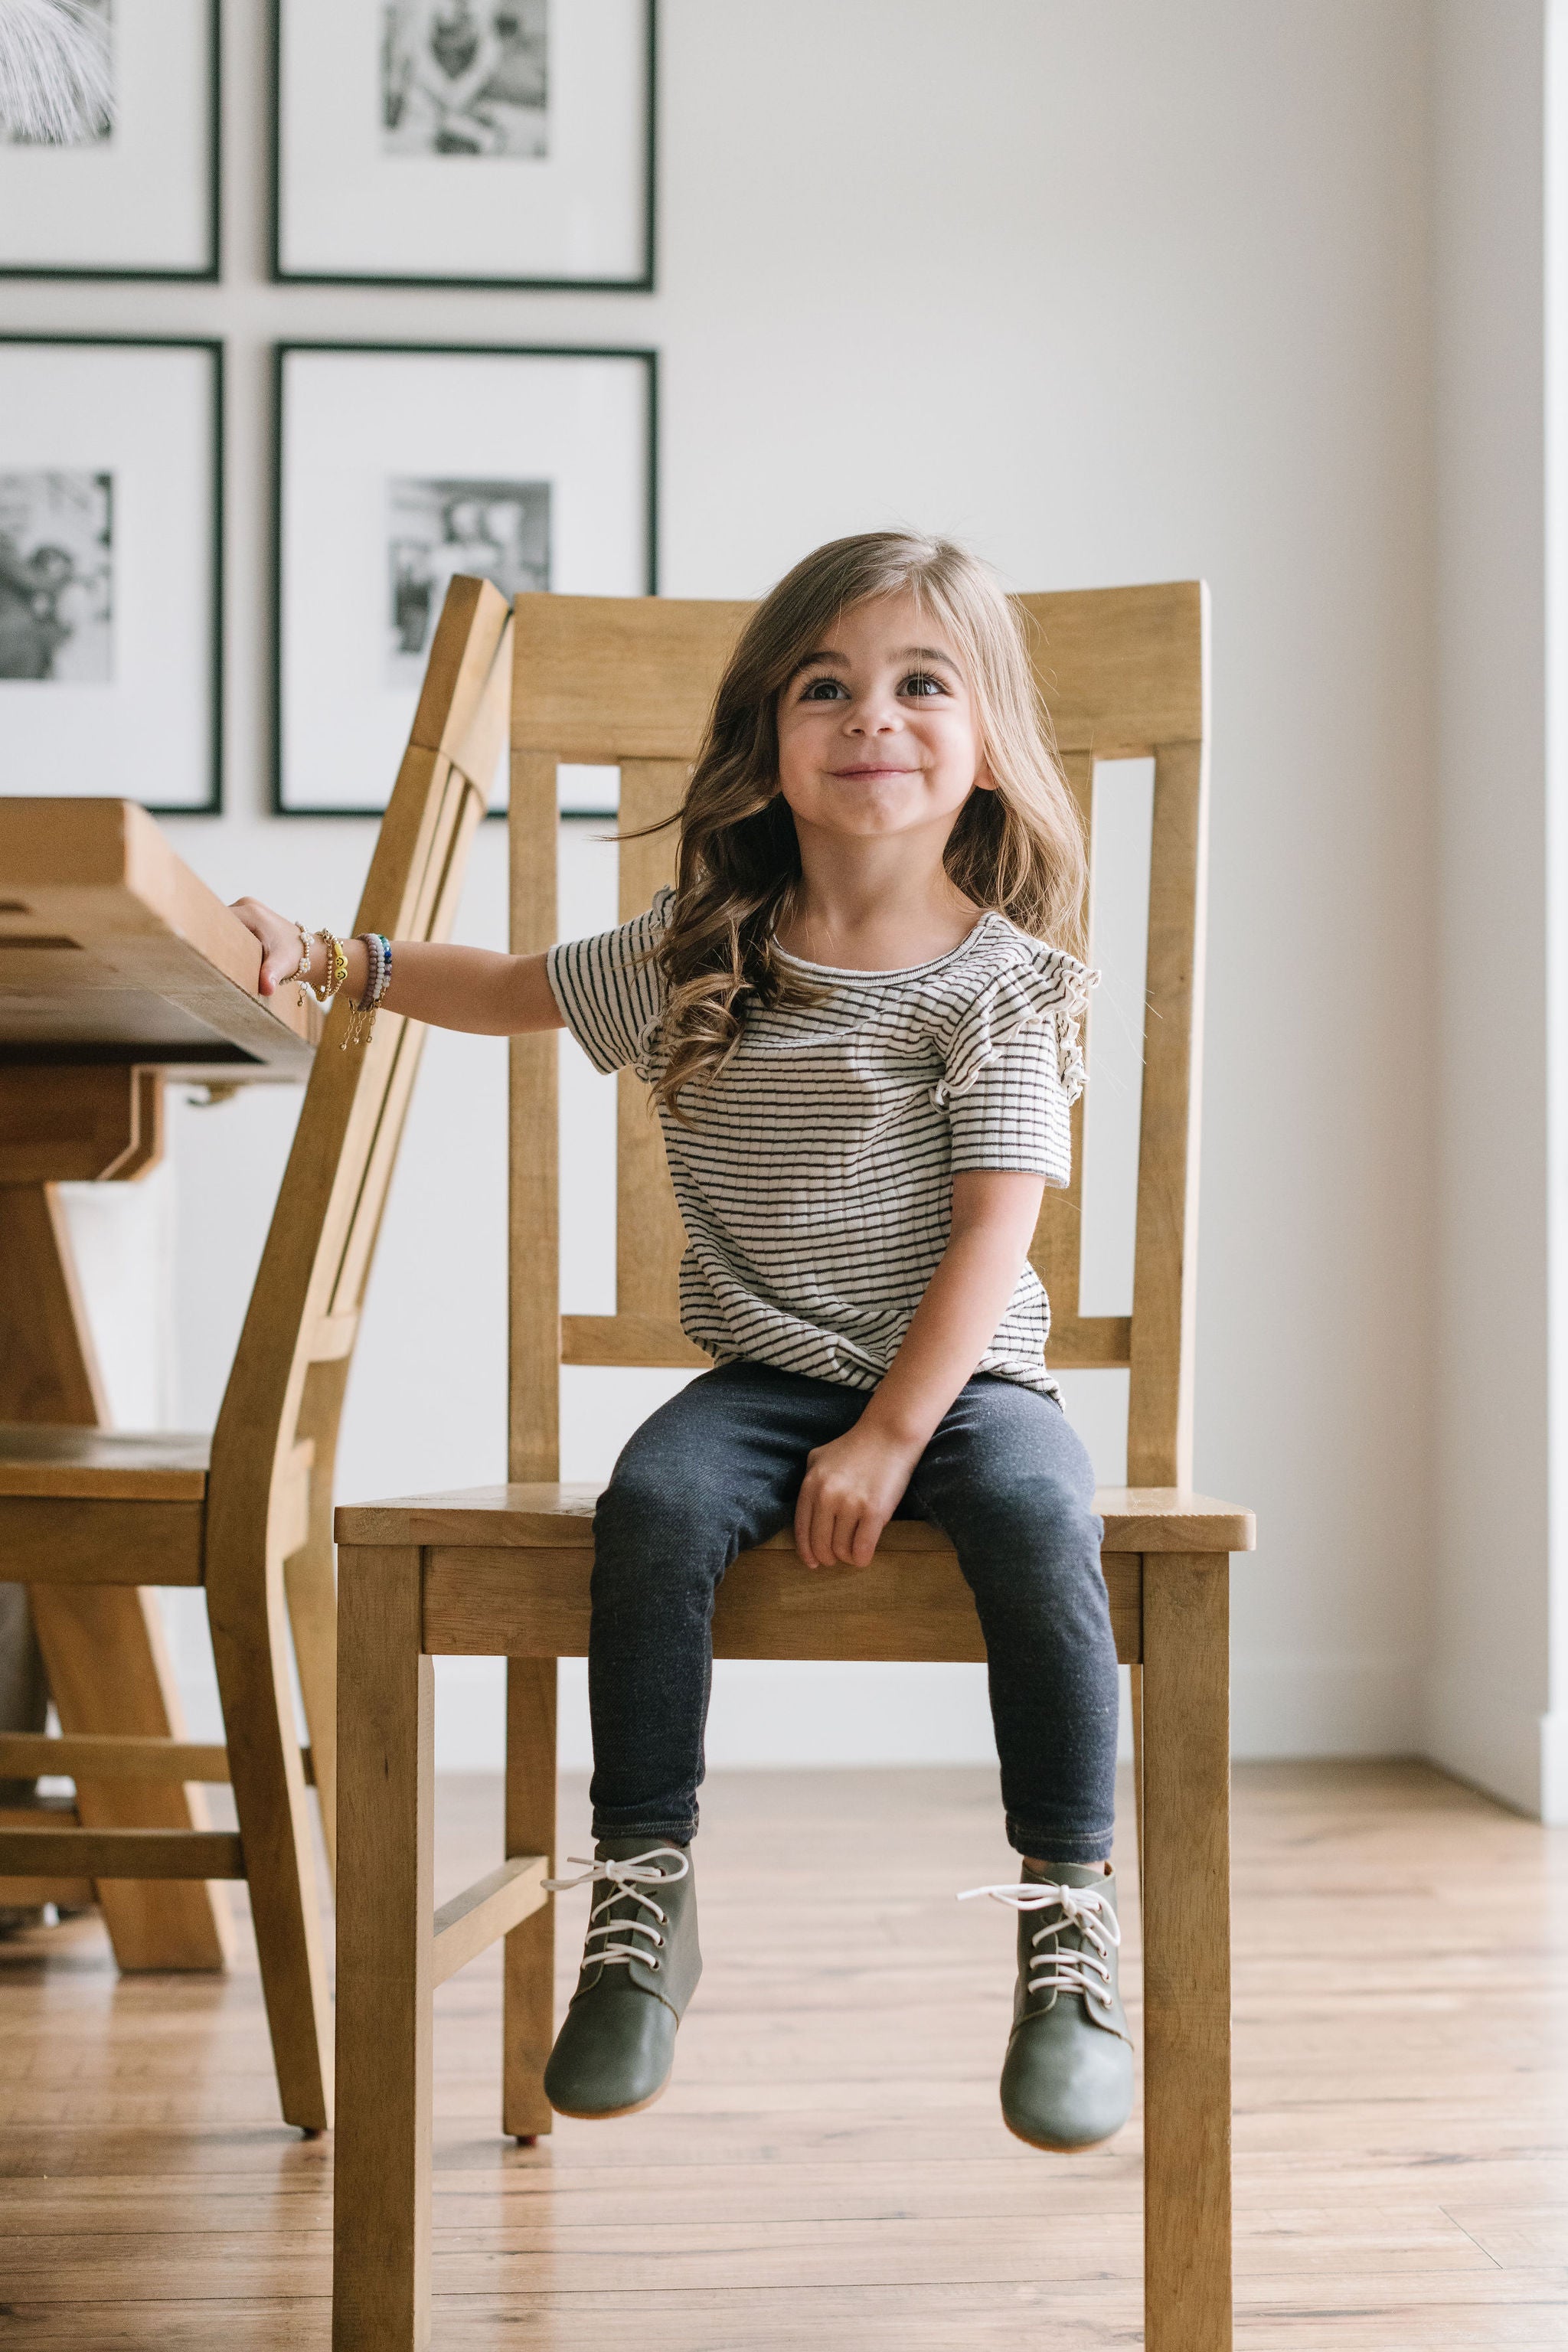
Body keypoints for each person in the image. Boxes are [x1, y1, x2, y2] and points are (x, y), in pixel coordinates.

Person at [233, 531, 1131, 2152]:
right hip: (765, 1381)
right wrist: (343, 959)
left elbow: (997, 1229)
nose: (876, 716)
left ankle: (1068, 1916)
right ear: (768, 740)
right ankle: (643, 1901)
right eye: (826, 685)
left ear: (987, 736)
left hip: (965, 1383)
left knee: (1038, 1511)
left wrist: (889, 1438)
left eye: (923, 682)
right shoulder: (699, 949)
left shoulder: (1009, 985)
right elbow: (508, 985)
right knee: (650, 1508)